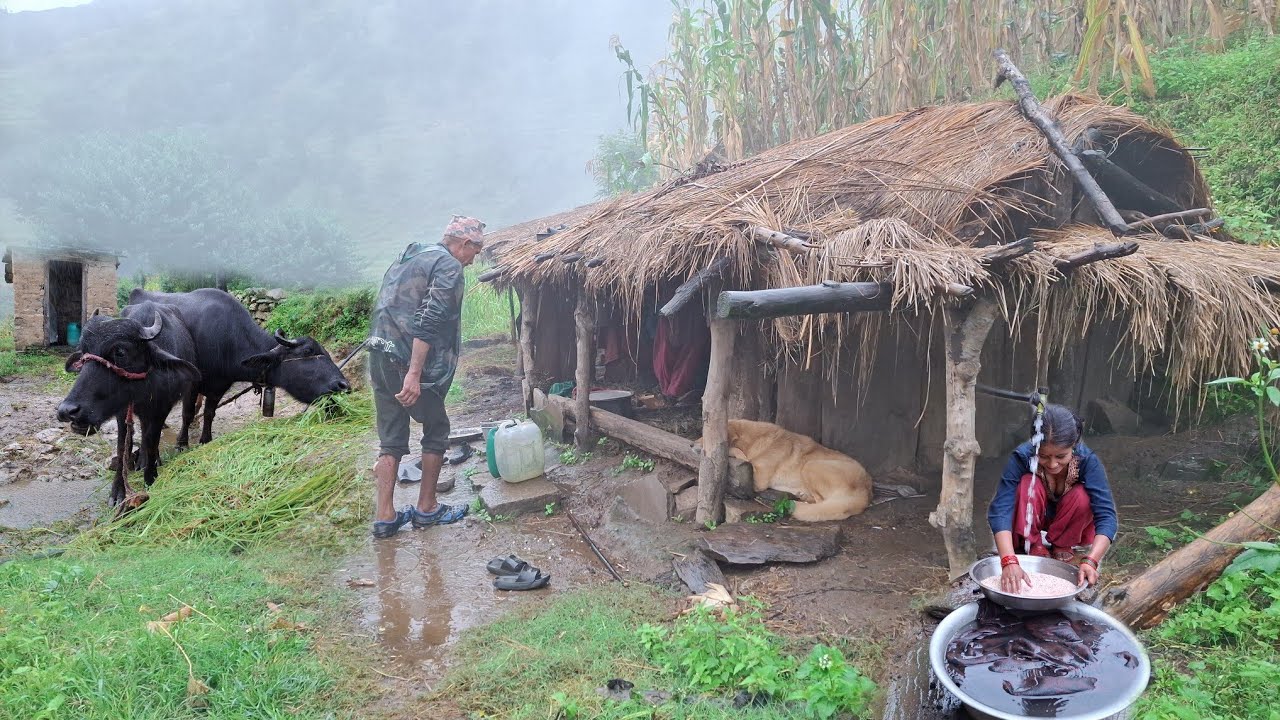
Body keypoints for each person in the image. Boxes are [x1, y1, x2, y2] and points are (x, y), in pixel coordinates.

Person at [367, 215, 485, 538]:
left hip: (378, 351)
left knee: (390, 437)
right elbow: (429, 318)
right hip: (405, 360)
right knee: (437, 428)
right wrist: (414, 374)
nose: (473, 261)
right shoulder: (449, 266)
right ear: (463, 244)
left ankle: (386, 516)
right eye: (474, 252)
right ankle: (427, 508)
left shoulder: (414, 253)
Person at [987, 403, 1117, 592]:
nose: (1053, 464)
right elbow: (1001, 509)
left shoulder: (1087, 461)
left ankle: (1062, 544)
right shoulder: (1022, 457)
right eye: (1044, 456)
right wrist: (1008, 560)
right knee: (1026, 484)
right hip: (1031, 515)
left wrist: (1091, 560)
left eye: (1061, 456)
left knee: (1083, 496)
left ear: (1074, 444)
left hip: (1069, 517)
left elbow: (1106, 515)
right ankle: (1032, 544)